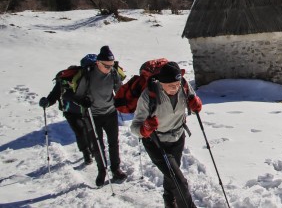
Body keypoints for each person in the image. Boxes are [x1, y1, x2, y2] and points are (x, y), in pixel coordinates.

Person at [131, 61, 202, 208]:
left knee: (172, 175)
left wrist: (196, 105)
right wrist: (145, 128)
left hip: (177, 138)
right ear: (161, 83)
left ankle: (169, 201)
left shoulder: (184, 86)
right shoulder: (148, 96)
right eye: (171, 85)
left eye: (177, 84)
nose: (175, 88)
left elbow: (194, 103)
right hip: (156, 142)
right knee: (179, 180)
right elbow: (134, 127)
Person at [73, 45, 127, 186]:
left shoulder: (114, 73)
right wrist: (83, 101)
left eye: (111, 65)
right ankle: (102, 170)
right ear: (98, 63)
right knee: (98, 145)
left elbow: (120, 90)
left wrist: (122, 100)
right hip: (93, 115)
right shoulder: (88, 75)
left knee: (113, 142)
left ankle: (116, 169)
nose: (109, 68)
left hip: (110, 113)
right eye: (106, 66)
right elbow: (78, 96)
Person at [39, 77, 94, 165]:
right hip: (73, 112)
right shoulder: (63, 81)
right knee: (80, 131)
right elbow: (54, 95)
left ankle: (92, 149)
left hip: (83, 111)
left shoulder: (83, 78)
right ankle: (86, 153)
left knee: (89, 130)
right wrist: (48, 102)